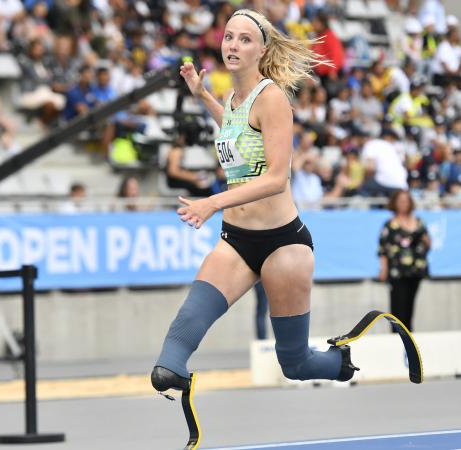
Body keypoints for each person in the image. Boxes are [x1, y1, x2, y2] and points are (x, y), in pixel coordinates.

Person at [151, 9, 373, 399]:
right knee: (171, 354)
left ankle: (339, 361)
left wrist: (211, 203)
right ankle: (176, 375)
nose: (233, 45)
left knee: (295, 364)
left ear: (261, 49)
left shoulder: (273, 98)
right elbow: (237, 133)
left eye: (244, 39)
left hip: (282, 245)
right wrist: (202, 95)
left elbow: (275, 179)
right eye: (229, 37)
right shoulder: (234, 98)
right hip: (237, 241)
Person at [378, 190, 431, 331]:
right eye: (400, 201)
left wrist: (425, 240)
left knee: (409, 306)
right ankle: (396, 337)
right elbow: (383, 249)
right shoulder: (389, 225)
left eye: (406, 201)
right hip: (397, 271)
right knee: (398, 308)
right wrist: (383, 269)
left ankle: (409, 340)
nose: (404, 204)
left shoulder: (419, 222)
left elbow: (428, 244)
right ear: (394, 203)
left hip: (415, 270)